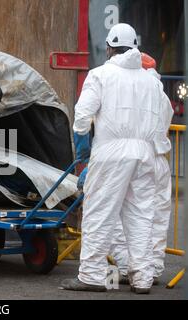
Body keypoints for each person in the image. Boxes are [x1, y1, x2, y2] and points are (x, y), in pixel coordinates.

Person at [61, 23, 169, 294]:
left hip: (110, 153)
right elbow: (161, 122)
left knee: (99, 213)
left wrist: (84, 153)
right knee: (141, 217)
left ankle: (92, 275)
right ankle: (142, 278)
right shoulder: (151, 82)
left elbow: (83, 117)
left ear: (109, 47)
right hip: (146, 154)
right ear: (135, 48)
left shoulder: (100, 75)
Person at [109, 53, 174, 286]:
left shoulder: (132, 92)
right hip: (158, 160)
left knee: (120, 213)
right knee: (155, 216)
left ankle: (128, 266)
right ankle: (152, 268)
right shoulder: (161, 95)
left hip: (133, 158)